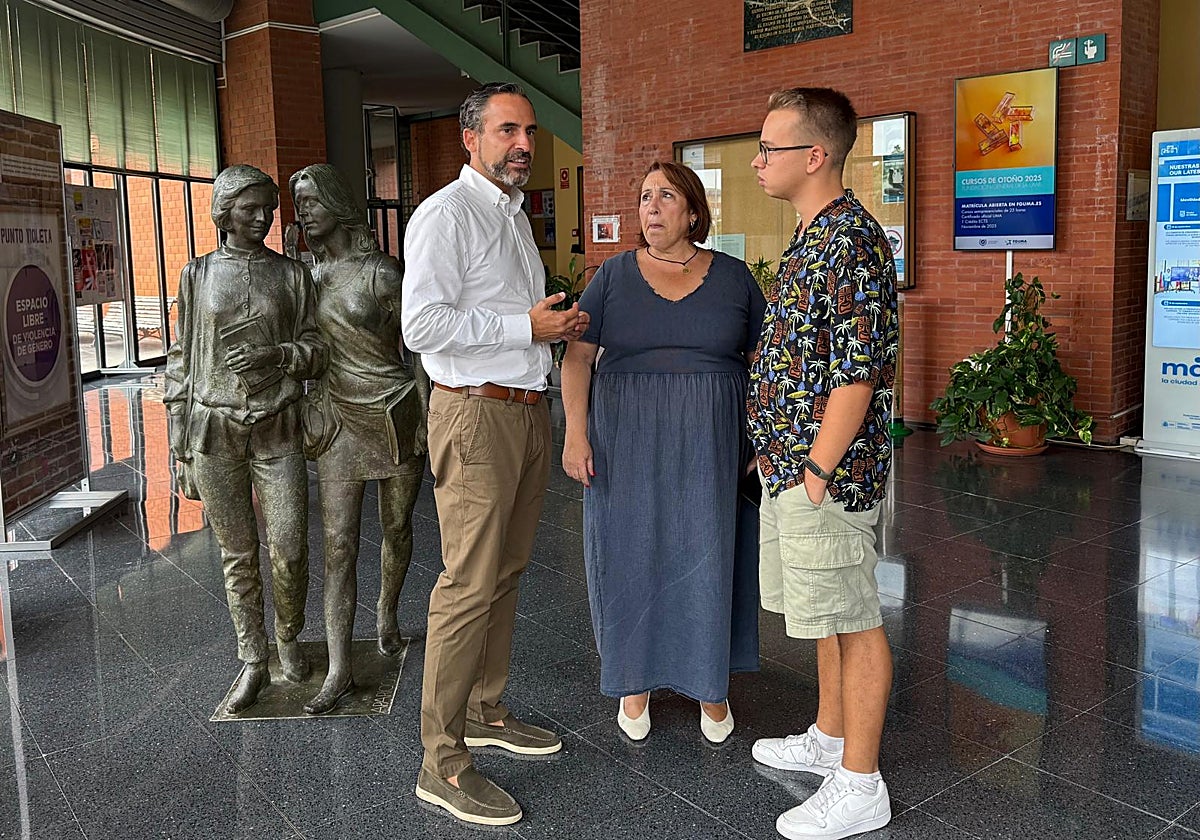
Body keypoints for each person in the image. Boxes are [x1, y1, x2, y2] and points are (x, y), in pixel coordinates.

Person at [401, 81, 589, 827]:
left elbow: (510, 318)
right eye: (508, 130)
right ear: (470, 138)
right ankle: (440, 763)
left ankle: (484, 711)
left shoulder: (509, 215)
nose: (523, 144)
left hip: (521, 409)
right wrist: (525, 328)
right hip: (475, 416)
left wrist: (545, 331)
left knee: (504, 574)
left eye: (530, 132)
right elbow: (423, 325)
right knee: (467, 585)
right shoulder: (446, 215)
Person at [561, 160, 765, 745]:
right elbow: (577, 357)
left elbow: (767, 363)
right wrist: (576, 434)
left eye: (666, 196)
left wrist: (766, 439)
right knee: (632, 553)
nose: (651, 207)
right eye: (644, 196)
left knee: (709, 552)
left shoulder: (732, 278)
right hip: (625, 441)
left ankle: (711, 685)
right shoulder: (613, 276)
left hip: (712, 440)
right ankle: (634, 678)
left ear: (694, 211)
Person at [746, 88, 899, 840]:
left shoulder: (852, 242)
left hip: (824, 476)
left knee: (855, 618)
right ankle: (830, 739)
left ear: (815, 156)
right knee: (824, 618)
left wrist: (816, 469)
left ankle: (861, 784)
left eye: (770, 148)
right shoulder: (813, 235)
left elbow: (856, 373)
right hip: (790, 464)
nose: (757, 160)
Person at [164, 164, 326, 714]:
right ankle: (252, 658)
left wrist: (277, 356)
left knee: (288, 546)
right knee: (236, 552)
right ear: (224, 212)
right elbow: (181, 361)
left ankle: (288, 639)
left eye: (268, 209)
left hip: (277, 423)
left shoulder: (292, 276)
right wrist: (179, 445)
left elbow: (315, 351)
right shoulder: (197, 275)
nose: (262, 218)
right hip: (213, 426)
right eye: (250, 208)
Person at [288, 164, 429, 716]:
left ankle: (387, 616)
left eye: (309, 202)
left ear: (338, 205)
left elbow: (414, 345)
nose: (301, 213)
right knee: (339, 544)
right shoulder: (303, 278)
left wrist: (424, 414)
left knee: (397, 526)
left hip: (393, 410)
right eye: (297, 204)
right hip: (337, 420)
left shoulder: (381, 273)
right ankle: (341, 667)